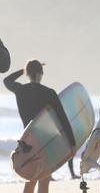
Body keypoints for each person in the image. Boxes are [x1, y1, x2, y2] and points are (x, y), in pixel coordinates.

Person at [3, 60, 76, 193]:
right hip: (45, 142)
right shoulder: (49, 93)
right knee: (43, 183)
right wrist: (72, 143)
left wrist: (23, 69)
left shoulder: (21, 90)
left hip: (27, 142)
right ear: (41, 74)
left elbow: (6, 80)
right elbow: (63, 119)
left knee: (30, 181)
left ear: (28, 74)